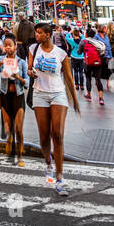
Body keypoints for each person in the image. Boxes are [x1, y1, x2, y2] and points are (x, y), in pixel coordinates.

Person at [30, 21, 80, 196]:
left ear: (47, 34)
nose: (36, 35)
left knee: (57, 134)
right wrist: (30, 72)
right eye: (36, 33)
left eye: (39, 33)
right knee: (44, 137)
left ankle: (59, 176)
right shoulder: (33, 50)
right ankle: (48, 163)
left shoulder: (61, 54)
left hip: (58, 93)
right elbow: (30, 69)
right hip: (39, 94)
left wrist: (75, 99)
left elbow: (68, 76)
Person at [0, 36, 29, 166]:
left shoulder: (21, 62)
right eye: (6, 45)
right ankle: (10, 143)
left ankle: (20, 155)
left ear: (16, 46)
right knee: (8, 128)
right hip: (4, 97)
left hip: (18, 97)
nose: (7, 47)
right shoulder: (0, 59)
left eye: (10, 45)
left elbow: (27, 83)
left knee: (18, 128)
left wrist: (18, 77)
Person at [83, 26, 111, 105]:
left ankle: (89, 95)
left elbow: (79, 52)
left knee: (88, 78)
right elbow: (104, 50)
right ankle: (101, 98)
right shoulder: (99, 42)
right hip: (98, 62)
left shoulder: (84, 42)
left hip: (88, 62)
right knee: (98, 79)